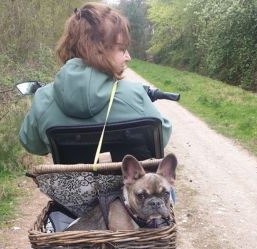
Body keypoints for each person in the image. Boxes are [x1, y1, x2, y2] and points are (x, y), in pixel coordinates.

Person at [19, 2, 172, 217]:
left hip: (77, 210)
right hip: (134, 210)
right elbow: (161, 137)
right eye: (121, 49)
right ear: (98, 49)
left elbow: (31, 143)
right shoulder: (135, 95)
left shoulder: (44, 98)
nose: (127, 56)